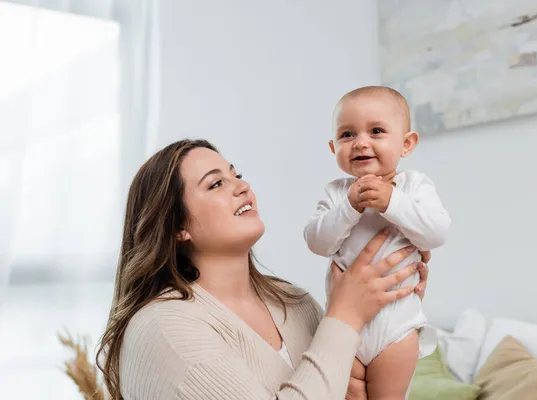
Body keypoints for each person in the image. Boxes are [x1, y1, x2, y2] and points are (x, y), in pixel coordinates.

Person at [96, 139, 431, 400]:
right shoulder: (162, 329)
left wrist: (391, 308)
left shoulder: (294, 302)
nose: (242, 186)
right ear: (176, 225)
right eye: (216, 184)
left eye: (236, 175)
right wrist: (347, 313)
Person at [304, 86, 450, 399]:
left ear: (406, 143)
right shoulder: (336, 193)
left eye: (377, 131)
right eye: (347, 135)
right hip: (345, 328)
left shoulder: (414, 187)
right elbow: (317, 242)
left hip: (396, 326)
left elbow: (436, 233)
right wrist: (349, 208)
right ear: (333, 147)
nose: (360, 142)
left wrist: (391, 202)